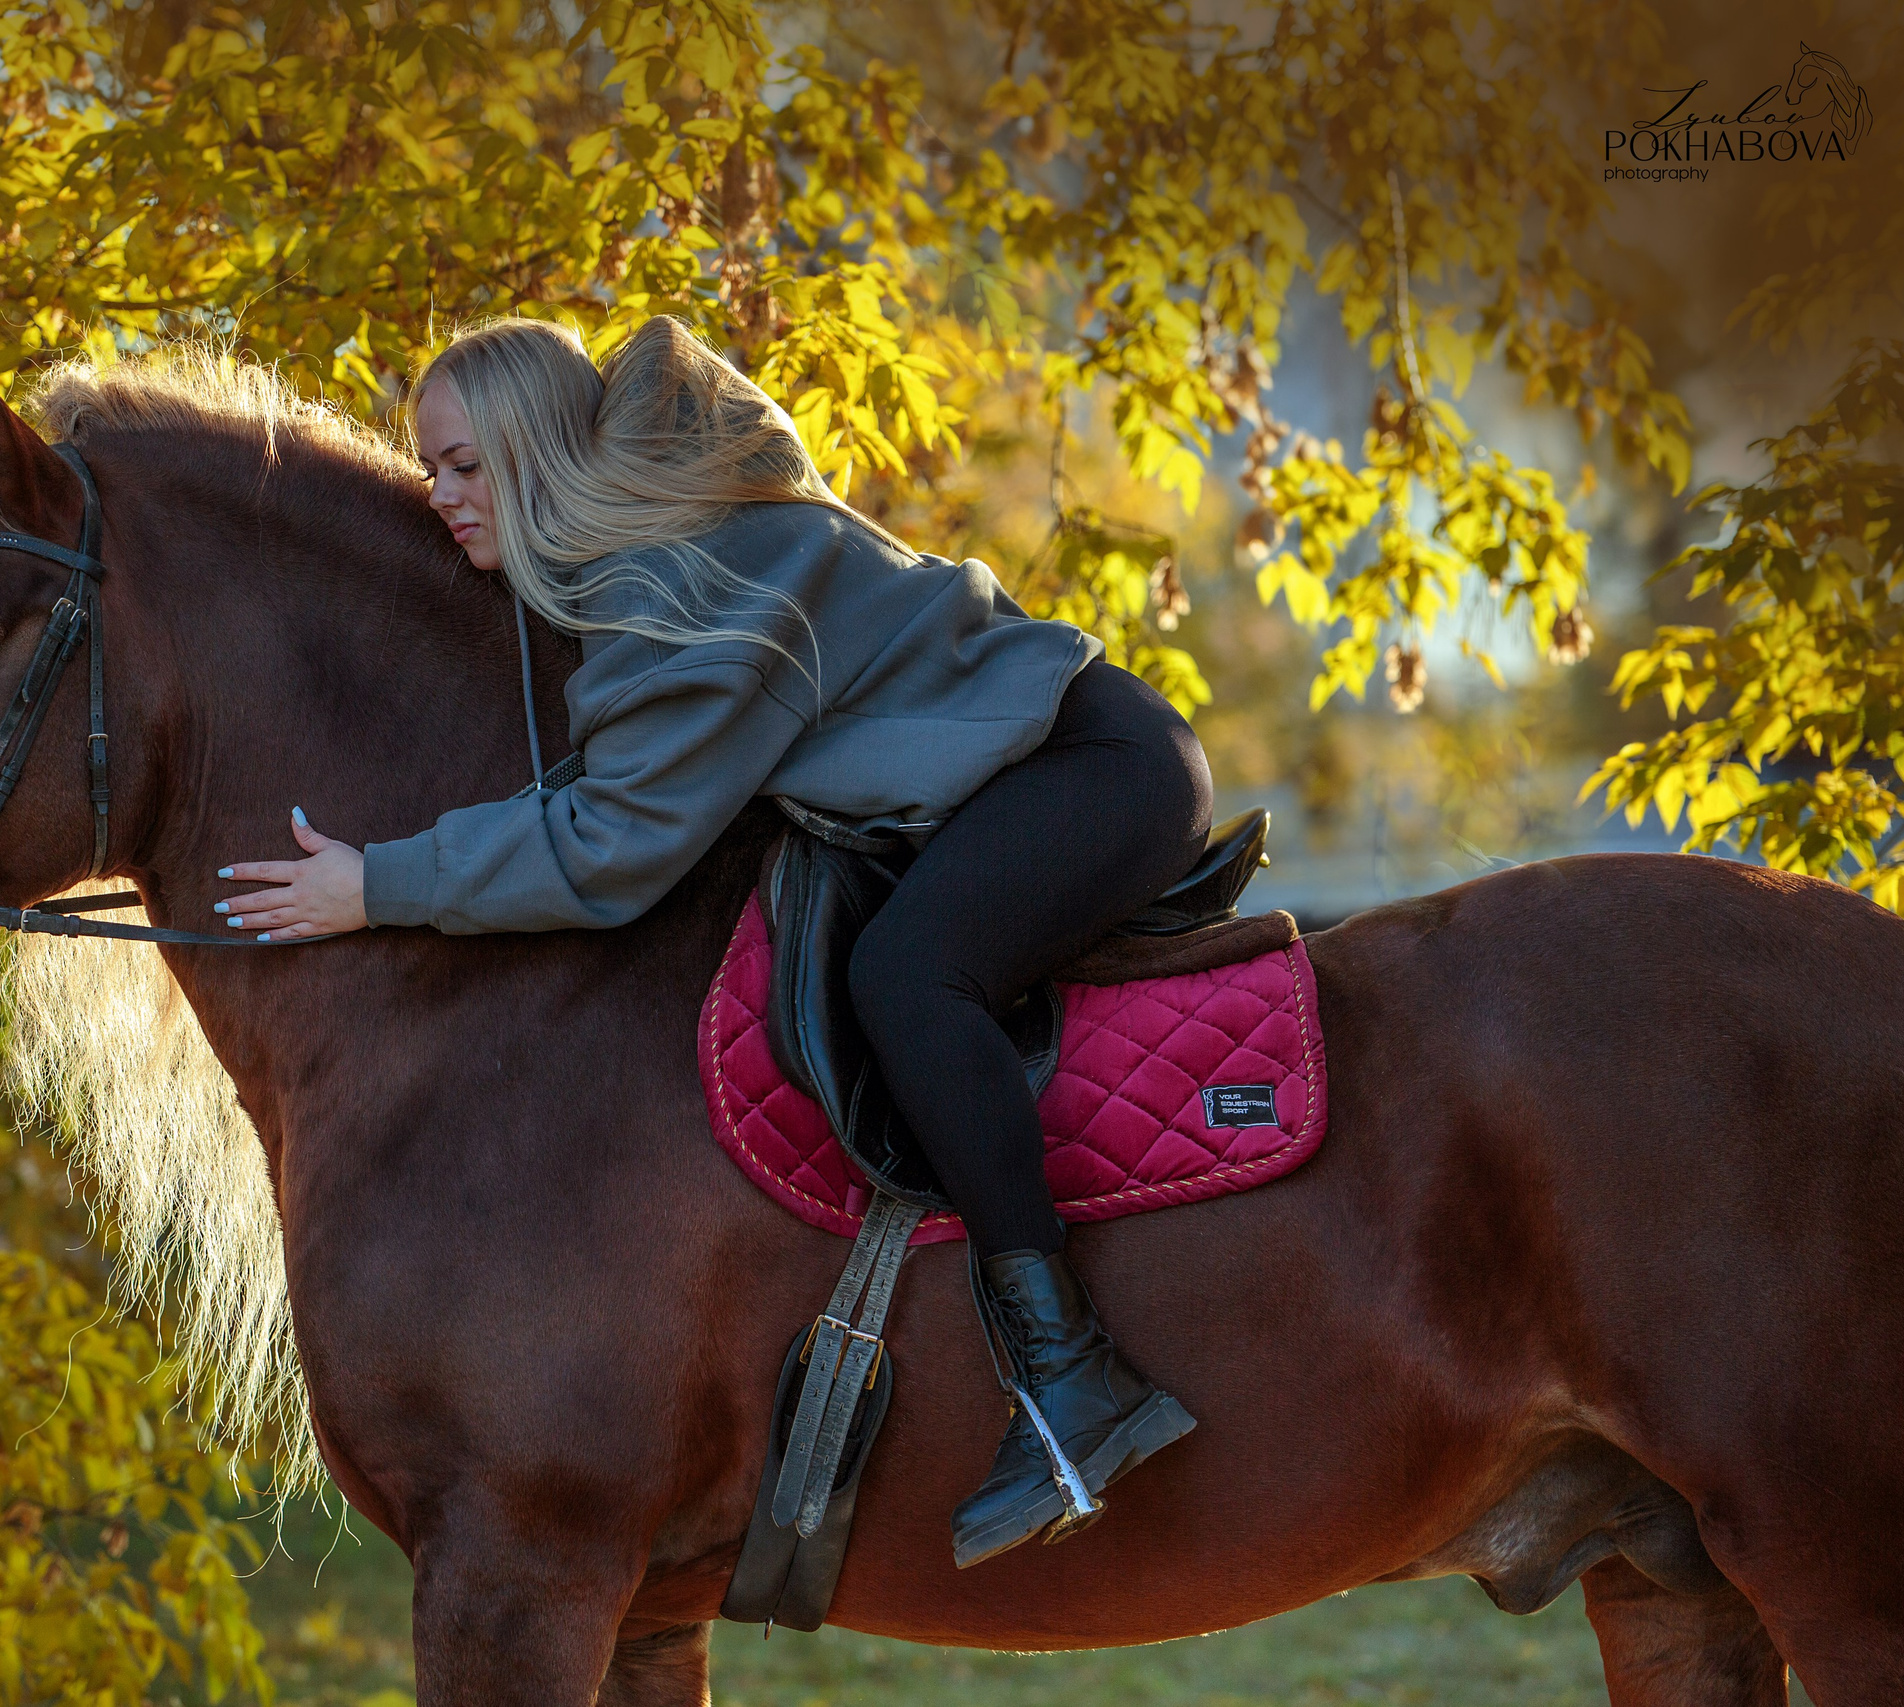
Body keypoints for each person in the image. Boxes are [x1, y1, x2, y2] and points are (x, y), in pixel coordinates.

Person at [213, 316, 1214, 1567]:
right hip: (1023, 770)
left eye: (465, 466)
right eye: (430, 468)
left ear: (534, 455)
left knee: (908, 976)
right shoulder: (645, 566)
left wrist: (382, 885)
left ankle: (1071, 1379)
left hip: (1094, 769)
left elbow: (615, 843)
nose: (439, 496)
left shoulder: (672, 585)